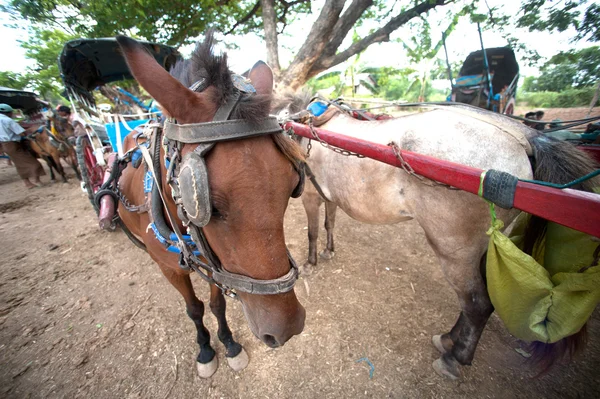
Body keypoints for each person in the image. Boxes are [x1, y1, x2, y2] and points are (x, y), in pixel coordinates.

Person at [0, 103, 46, 188]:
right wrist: (29, 131)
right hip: (13, 144)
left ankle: (27, 183)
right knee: (34, 163)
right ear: (8, 113)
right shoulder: (8, 120)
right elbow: (21, 133)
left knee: (19, 164)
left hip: (5, 145)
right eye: (11, 113)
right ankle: (37, 181)